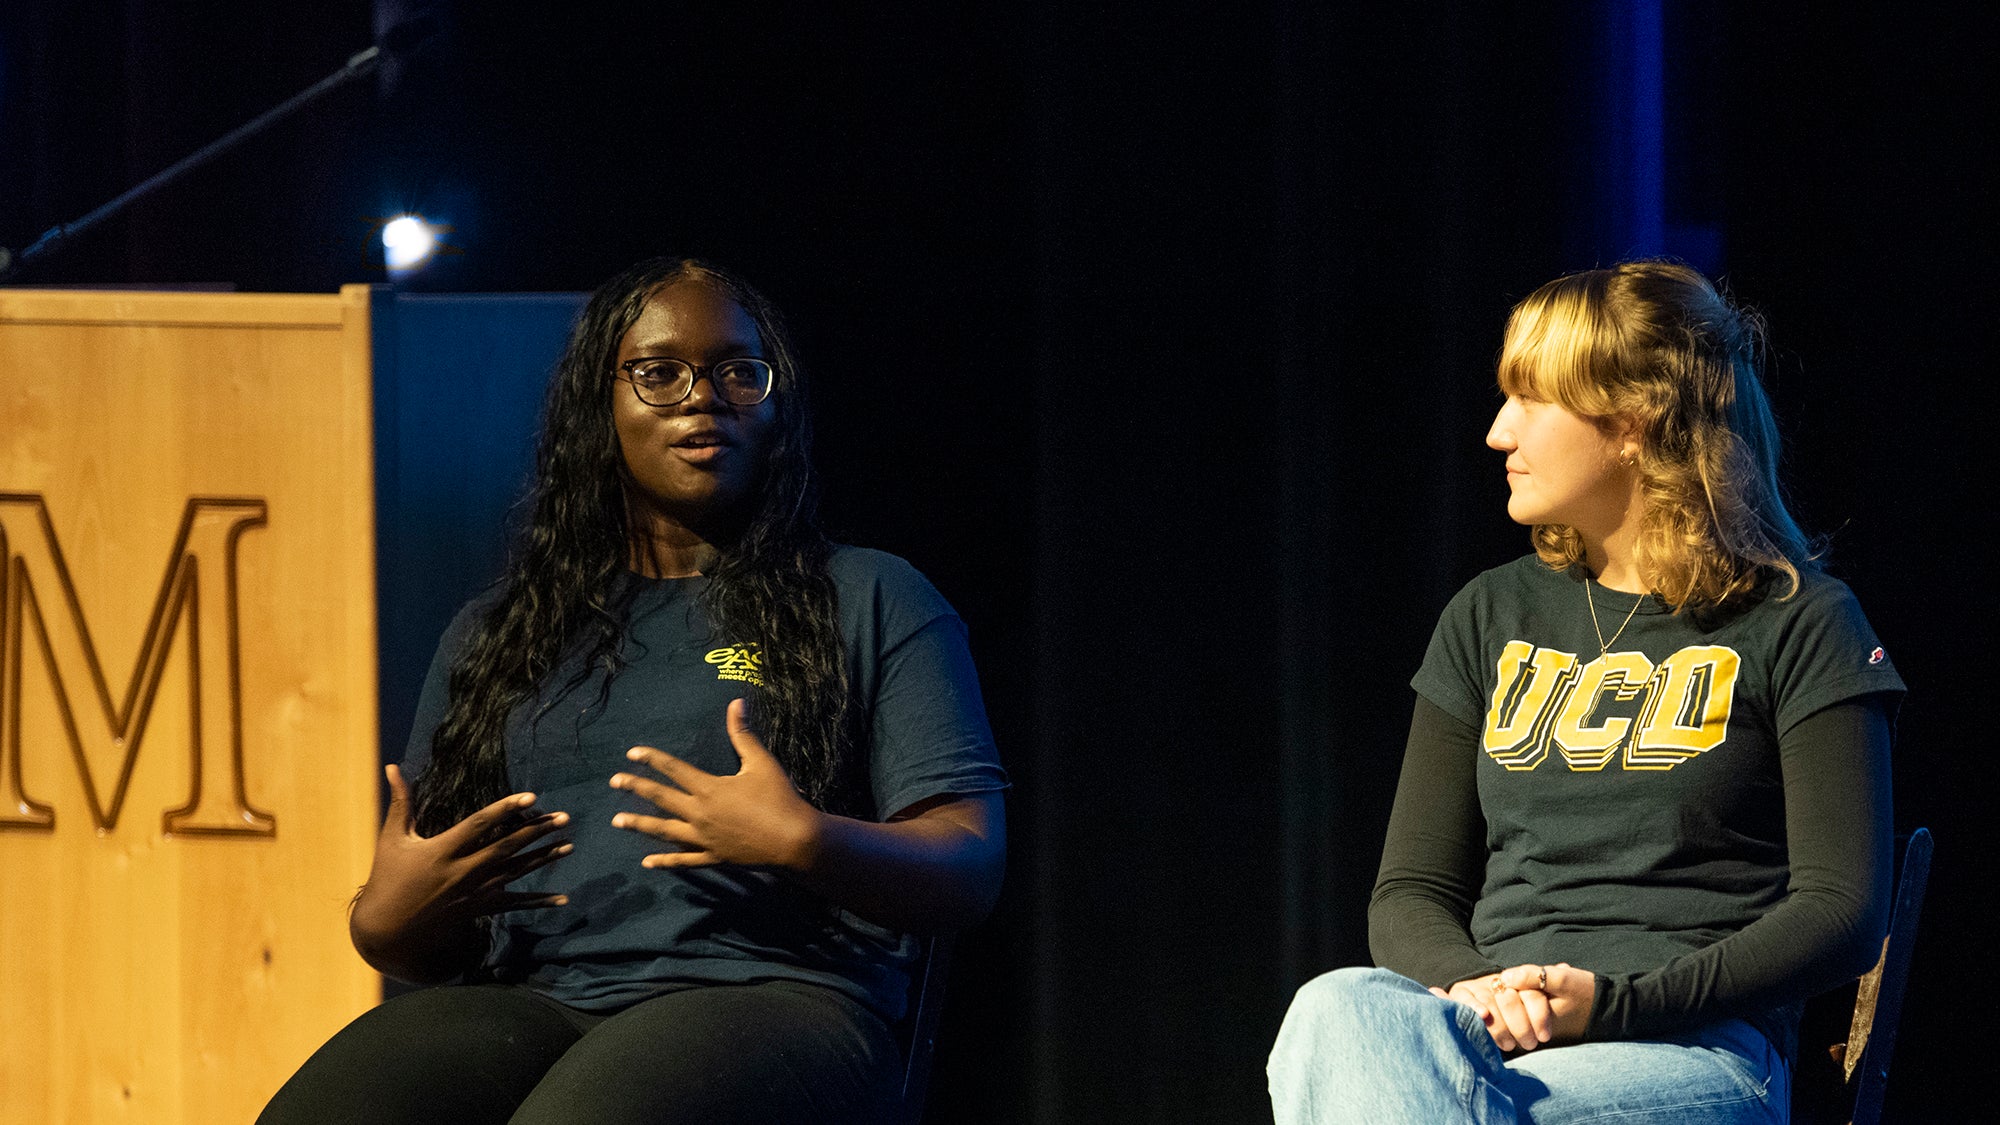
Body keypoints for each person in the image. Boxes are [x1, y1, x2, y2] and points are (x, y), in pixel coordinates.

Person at [260, 257, 1008, 1125]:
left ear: (776, 406)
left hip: (776, 997)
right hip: (539, 998)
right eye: (659, 373)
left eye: (738, 371)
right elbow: (426, 939)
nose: (703, 396)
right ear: (598, 405)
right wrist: (385, 919)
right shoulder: (499, 632)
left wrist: (805, 839)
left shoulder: (870, 595)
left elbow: (971, 859)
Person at [1267, 261, 1902, 1124]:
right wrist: (1480, 987)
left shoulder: (1801, 621)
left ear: (1633, 424)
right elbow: (1410, 889)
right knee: (1338, 1005)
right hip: (1479, 1040)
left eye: (1530, 400)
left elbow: (1843, 911)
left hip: (1693, 1054)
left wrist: (1612, 1003)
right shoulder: (1490, 612)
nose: (1497, 432)